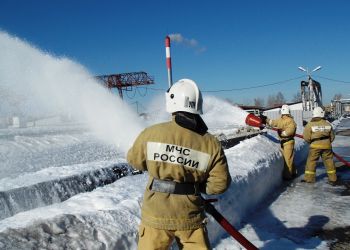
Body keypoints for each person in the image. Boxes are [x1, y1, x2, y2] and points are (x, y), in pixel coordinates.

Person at [127, 79, 231, 249]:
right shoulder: (210, 143)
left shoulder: (151, 133)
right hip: (190, 215)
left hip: (156, 214)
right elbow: (220, 184)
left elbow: (135, 161)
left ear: (172, 101)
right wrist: (200, 187)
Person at [302, 106, 337, 185]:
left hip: (315, 147)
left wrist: (311, 142)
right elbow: (332, 136)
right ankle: (333, 179)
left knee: (311, 162)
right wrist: (327, 142)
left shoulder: (310, 124)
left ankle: (309, 179)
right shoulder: (328, 124)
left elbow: (306, 136)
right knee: (329, 162)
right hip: (327, 146)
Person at [266, 104, 297, 180]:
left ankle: (288, 176)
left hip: (288, 142)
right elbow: (273, 122)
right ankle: (293, 172)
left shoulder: (290, 121)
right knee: (289, 159)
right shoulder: (281, 119)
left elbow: (291, 130)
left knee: (287, 160)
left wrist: (283, 134)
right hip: (283, 142)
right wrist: (266, 119)